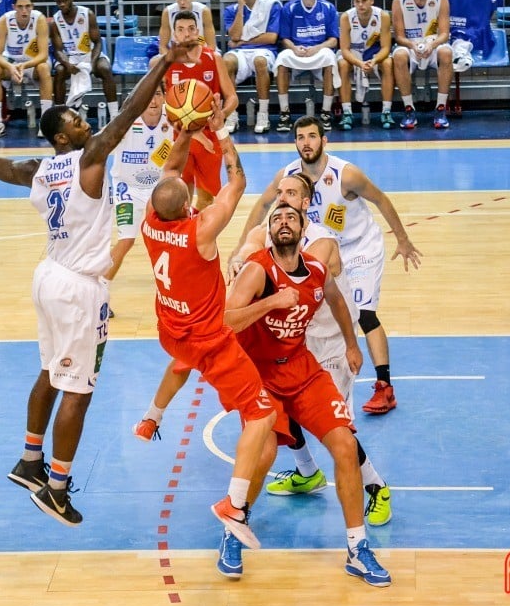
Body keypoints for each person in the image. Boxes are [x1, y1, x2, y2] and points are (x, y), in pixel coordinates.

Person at [0, 40, 197, 526]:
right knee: (78, 388)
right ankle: (56, 487)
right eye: (76, 122)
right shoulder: (88, 158)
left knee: (49, 372)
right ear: (61, 137)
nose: (86, 125)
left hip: (49, 276)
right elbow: (129, 111)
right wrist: (165, 61)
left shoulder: (39, 170)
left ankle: (29, 460)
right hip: (79, 286)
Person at [133, 175, 393, 527]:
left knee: (339, 435)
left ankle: (376, 486)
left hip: (324, 344)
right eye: (277, 198)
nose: (280, 201)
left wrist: (350, 343)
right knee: (270, 427)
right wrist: (241, 262)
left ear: (305, 206)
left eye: (290, 196)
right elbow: (250, 247)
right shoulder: (267, 235)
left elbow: (321, 289)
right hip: (282, 348)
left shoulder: (322, 246)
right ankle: (292, 481)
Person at [219, 201, 390, 585]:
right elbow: (226, 322)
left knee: (345, 445)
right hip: (258, 374)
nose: (282, 222)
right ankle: (232, 528)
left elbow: (336, 298)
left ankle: (357, 549)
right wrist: (271, 302)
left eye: (290, 218)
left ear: (301, 230)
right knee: (263, 452)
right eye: (276, 218)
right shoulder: (257, 269)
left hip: (301, 369)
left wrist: (351, 343)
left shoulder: (314, 269)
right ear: (269, 231)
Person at [142, 97, 285, 552]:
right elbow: (237, 183)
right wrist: (220, 132)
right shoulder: (199, 231)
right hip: (209, 340)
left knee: (179, 364)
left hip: (171, 330)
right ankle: (235, 504)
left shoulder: (150, 221)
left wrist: (183, 131)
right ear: (189, 206)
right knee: (262, 414)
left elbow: (169, 171)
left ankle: (151, 417)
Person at [233, 115, 422, 414]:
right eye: (300, 137)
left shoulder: (346, 174)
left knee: (364, 314)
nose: (306, 143)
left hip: (358, 248)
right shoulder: (288, 176)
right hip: (317, 249)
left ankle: (384, 386)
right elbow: (262, 205)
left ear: (324, 140)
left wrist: (402, 239)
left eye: (311, 136)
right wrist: (240, 247)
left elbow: (381, 199)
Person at [165, 10, 238, 211]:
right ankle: (185, 237)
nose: (186, 34)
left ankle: (200, 238)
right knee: (180, 198)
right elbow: (165, 106)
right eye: (180, 29)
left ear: (197, 31)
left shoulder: (213, 58)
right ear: (174, 34)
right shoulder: (167, 62)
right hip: (181, 137)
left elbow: (232, 98)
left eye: (190, 29)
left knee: (206, 199)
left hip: (209, 137)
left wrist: (222, 114)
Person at [106, 82, 174, 285]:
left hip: (157, 190)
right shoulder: (125, 122)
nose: (153, 101)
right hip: (127, 189)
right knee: (126, 240)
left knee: (170, 240)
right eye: (149, 96)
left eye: (158, 95)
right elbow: (100, 146)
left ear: (164, 98)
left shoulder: (172, 120)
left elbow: (192, 133)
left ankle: (174, 286)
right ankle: (100, 290)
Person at [0, 0, 53, 141]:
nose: (24, 10)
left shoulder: (39, 19)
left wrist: (25, 65)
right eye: (20, 6)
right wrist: (11, 67)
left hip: (33, 62)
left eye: (28, 6)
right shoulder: (4, 20)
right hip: (12, 63)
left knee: (44, 68)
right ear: (13, 7)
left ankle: (45, 122)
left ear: (32, 6)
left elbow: (44, 55)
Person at [274, 0, 340, 132]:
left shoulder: (328, 7)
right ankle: (284, 114)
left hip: (318, 50)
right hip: (297, 50)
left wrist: (318, 47)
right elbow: (284, 39)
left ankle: (325, 113)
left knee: (330, 57)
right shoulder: (289, 7)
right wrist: (294, 48)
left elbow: (334, 40)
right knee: (281, 59)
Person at [50, 0, 118, 118]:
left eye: (64, 0)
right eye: (58, 2)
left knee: (104, 68)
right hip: (70, 57)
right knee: (59, 71)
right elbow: (58, 50)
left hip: (89, 54)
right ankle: (59, 116)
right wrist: (67, 64)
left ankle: (115, 115)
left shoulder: (87, 14)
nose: (62, 4)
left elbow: (98, 42)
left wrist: (92, 63)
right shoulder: (55, 21)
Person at [391, 0, 453, 130]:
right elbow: (399, 37)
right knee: (399, 56)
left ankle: (441, 109)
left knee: (446, 53)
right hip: (410, 45)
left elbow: (444, 33)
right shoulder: (399, 0)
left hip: (434, 44)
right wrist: (412, 45)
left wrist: (431, 45)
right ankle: (409, 110)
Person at [222, 0, 282, 134]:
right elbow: (235, 35)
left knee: (260, 61)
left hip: (265, 50)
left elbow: (272, 37)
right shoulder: (231, 10)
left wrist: (242, 41)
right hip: (241, 53)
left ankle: (263, 115)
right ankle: (231, 115)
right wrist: (241, 6)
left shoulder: (271, 6)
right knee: (226, 61)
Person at [337, 0, 395, 130]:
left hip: (374, 53)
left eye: (364, 1)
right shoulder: (346, 17)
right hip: (353, 53)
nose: (360, 5)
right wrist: (359, 63)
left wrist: (374, 61)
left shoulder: (383, 16)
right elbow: (344, 49)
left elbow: (386, 48)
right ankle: (347, 113)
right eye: (357, 2)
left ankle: (386, 111)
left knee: (387, 63)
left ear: (372, 1)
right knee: (343, 65)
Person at [151, 0, 218, 68]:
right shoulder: (167, 12)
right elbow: (163, 46)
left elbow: (211, 45)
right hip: (176, 52)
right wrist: (170, 60)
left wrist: (200, 59)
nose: (182, 2)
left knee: (219, 61)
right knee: (153, 63)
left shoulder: (204, 11)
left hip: (201, 49)